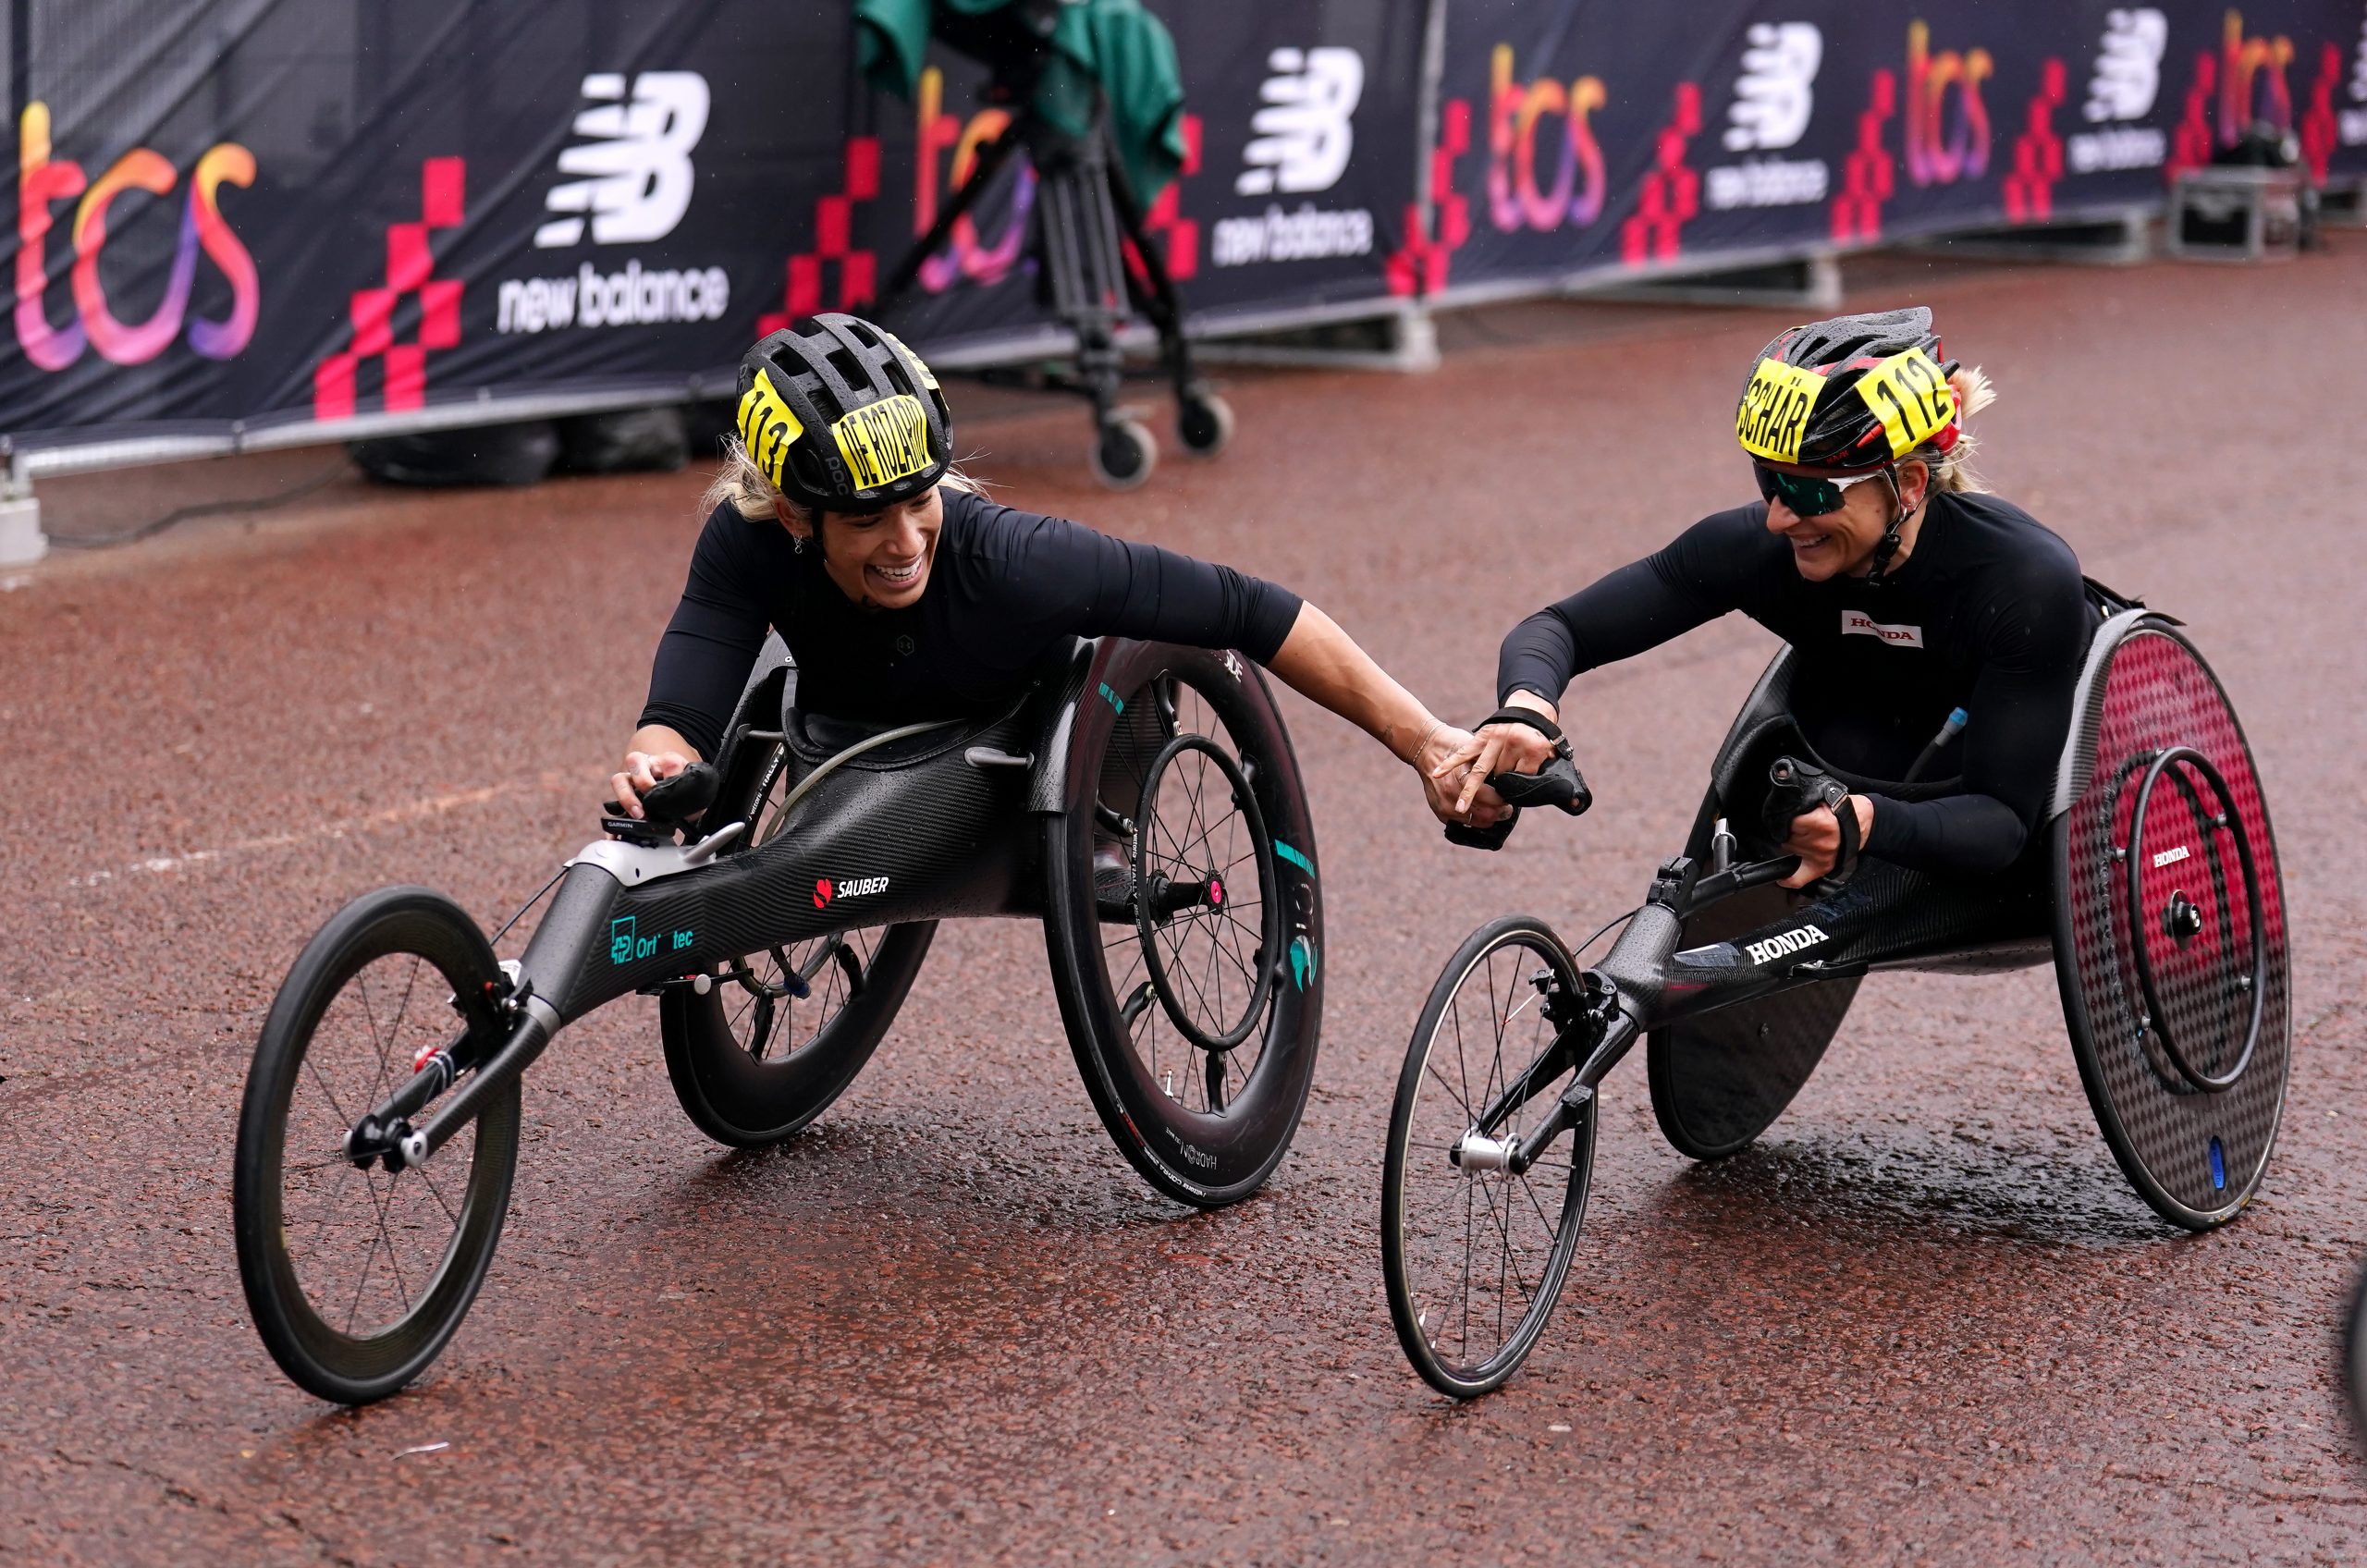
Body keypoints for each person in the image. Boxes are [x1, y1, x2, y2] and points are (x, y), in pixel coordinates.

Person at [616, 312, 1476, 823]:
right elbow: (682, 707)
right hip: (853, 728)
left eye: (922, 500)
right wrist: (657, 762)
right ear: (797, 513)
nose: (909, 541)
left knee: (1121, 645)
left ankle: (1106, 824)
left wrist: (1428, 742)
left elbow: (1252, 608)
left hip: (1023, 742)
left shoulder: (1016, 561)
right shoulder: (747, 538)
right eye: (870, 519)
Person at [1439, 306, 2091, 884]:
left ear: (1910, 484)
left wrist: (1869, 824)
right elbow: (1561, 629)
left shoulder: (2022, 582)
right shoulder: (1757, 547)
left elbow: (2004, 823)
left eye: (1810, 494)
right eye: (1768, 482)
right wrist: (1526, 708)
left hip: (2011, 801)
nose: (1780, 518)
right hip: (1861, 751)